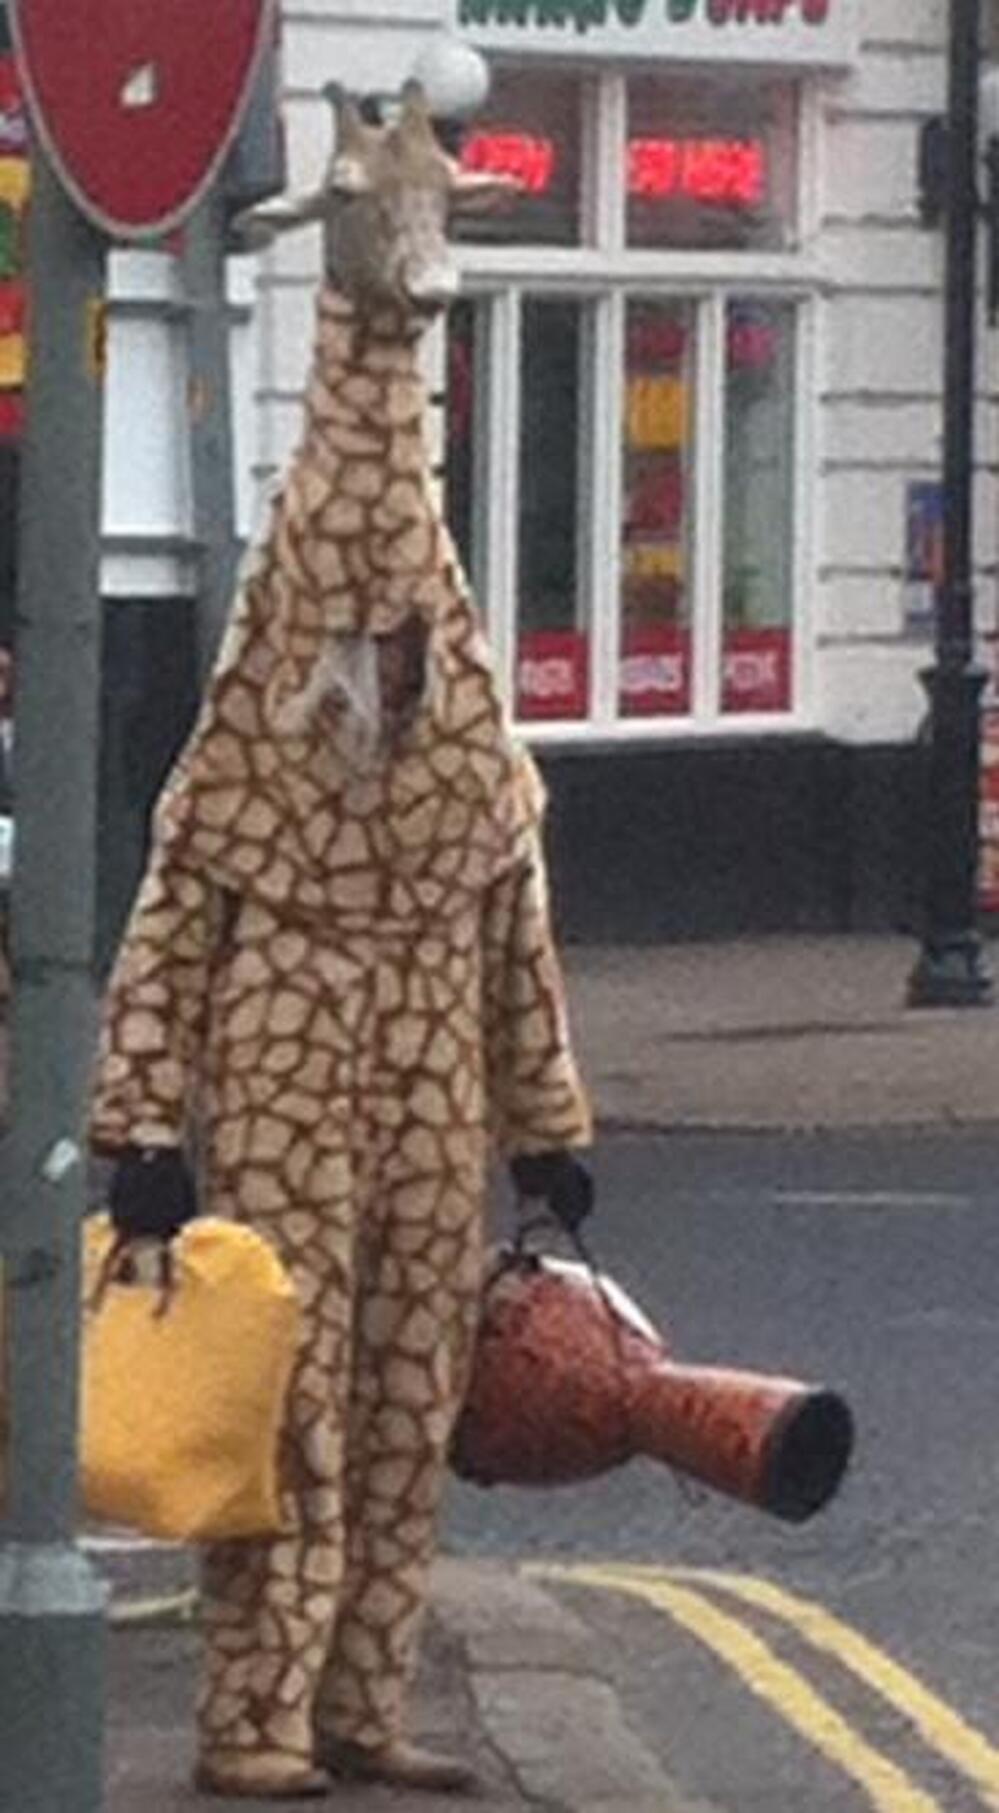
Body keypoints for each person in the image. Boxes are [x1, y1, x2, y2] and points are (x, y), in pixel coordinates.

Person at [89, 96, 594, 1786]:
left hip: (430, 1101)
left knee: (404, 1402)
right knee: (286, 1395)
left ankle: (360, 1699)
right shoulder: (248, 769)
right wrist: (143, 1131)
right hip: (295, 1085)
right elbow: (166, 938)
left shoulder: (463, 781)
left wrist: (552, 1133)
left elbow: (517, 947)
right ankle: (256, 1710)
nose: (376, 673)